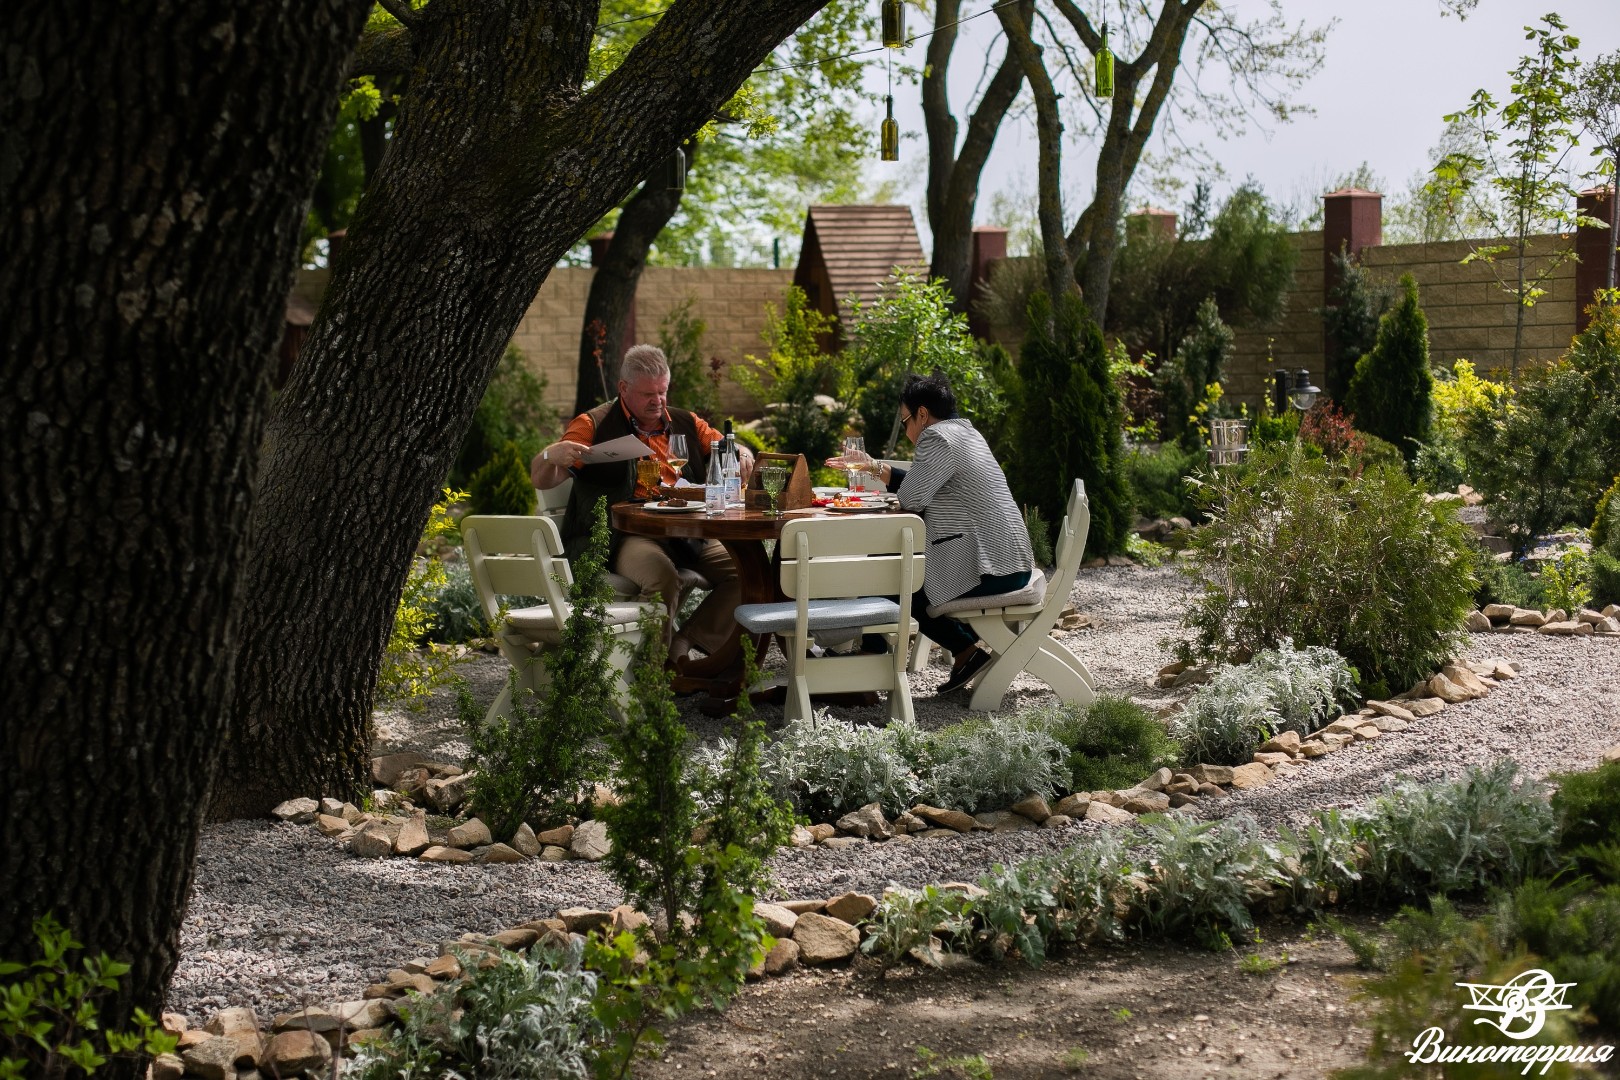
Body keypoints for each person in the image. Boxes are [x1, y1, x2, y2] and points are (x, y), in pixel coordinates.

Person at [532, 344, 750, 665]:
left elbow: (727, 448)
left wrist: (742, 452)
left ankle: (684, 642)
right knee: (662, 577)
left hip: (685, 532)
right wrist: (551, 454)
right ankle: (649, 675)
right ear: (623, 388)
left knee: (748, 573)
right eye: (649, 394)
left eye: (662, 392)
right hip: (626, 535)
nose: (658, 401)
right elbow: (542, 479)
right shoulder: (594, 424)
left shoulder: (685, 422)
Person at [828, 372, 1032, 694]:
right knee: (892, 566)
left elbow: (911, 498)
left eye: (906, 421)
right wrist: (871, 466)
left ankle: (872, 663)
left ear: (922, 414)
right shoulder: (965, 433)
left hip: (990, 570)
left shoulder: (936, 437)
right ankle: (955, 653)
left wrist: (877, 483)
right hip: (1010, 562)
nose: (909, 431)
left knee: (890, 573)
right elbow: (921, 483)